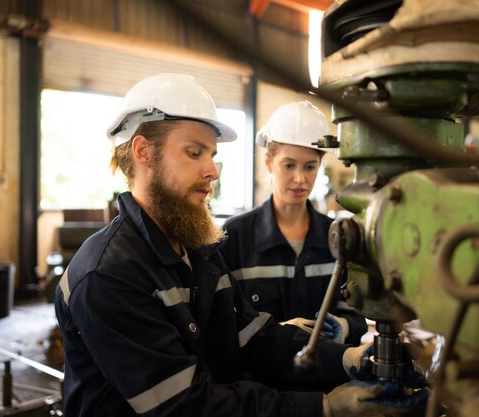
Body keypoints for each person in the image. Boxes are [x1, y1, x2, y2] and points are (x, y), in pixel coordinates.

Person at [54, 73, 386, 417]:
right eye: (194, 152)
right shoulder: (108, 274)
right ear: (143, 152)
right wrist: (325, 408)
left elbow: (257, 341)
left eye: (211, 154)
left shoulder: (199, 251)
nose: (213, 170)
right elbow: (185, 406)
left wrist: (347, 358)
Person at [220, 101, 367, 345]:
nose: (300, 179)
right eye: (288, 165)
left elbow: (356, 312)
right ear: (269, 163)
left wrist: (345, 325)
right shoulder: (234, 237)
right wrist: (270, 333)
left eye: (310, 167)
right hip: (257, 380)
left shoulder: (338, 236)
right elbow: (221, 322)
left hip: (323, 377)